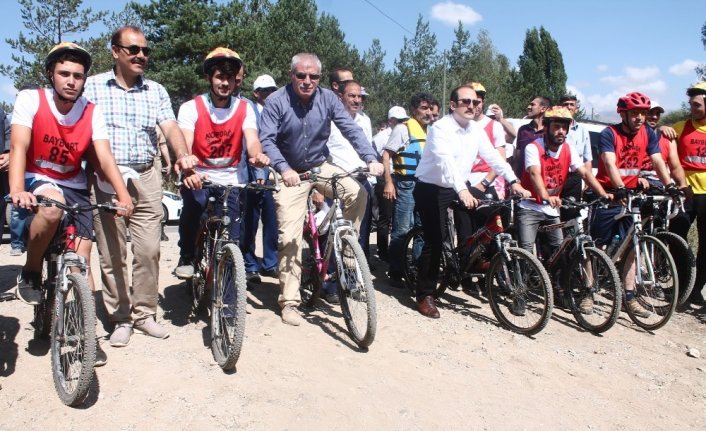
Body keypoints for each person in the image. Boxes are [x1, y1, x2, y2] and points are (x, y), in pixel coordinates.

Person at [8, 42, 134, 365]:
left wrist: (123, 194)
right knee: (51, 206)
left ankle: (85, 335)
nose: (71, 81)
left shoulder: (92, 112)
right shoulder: (30, 99)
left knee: (81, 260)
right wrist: (18, 188)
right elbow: (19, 146)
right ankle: (33, 271)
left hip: (75, 186)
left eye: (78, 76)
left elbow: (104, 156)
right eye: (64, 73)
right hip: (38, 180)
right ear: (51, 74)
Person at [84, 26, 197, 347]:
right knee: (113, 254)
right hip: (106, 179)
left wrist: (183, 154)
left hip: (147, 175)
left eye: (145, 51)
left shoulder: (156, 91)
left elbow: (171, 127)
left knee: (148, 250)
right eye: (134, 50)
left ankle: (145, 314)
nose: (141, 56)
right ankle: (121, 318)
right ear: (115, 51)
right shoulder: (92, 88)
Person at [259, 52, 383, 326]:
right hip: (289, 170)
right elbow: (266, 140)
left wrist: (370, 158)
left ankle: (346, 250)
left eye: (313, 76)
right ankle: (289, 302)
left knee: (357, 192)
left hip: (319, 165)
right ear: (291, 75)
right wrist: (284, 169)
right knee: (288, 237)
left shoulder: (328, 98)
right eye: (300, 75)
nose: (307, 81)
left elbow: (351, 129)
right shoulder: (276, 101)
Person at [413, 84, 530, 319]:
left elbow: (494, 159)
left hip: (457, 185)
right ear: (453, 105)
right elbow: (446, 163)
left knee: (479, 221)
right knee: (435, 240)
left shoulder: (476, 129)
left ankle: (469, 263)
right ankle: (425, 294)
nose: (471, 105)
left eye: (475, 102)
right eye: (465, 101)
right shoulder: (440, 128)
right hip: (431, 187)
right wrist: (462, 190)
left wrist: (514, 180)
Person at [174, 47, 269, 283]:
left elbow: (253, 139)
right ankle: (186, 255)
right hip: (198, 174)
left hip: (231, 178)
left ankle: (227, 308)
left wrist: (257, 156)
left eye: (229, 78)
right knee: (194, 205)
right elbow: (185, 140)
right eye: (219, 77)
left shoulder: (244, 108)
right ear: (209, 78)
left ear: (235, 81)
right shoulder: (190, 107)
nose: (224, 83)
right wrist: (187, 163)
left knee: (232, 238)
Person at [591, 91, 677, 317]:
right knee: (597, 245)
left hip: (630, 194)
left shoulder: (648, 132)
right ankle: (586, 292)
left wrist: (669, 185)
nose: (640, 117)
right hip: (609, 193)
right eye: (635, 113)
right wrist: (619, 187)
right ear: (623, 114)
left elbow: (658, 161)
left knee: (631, 248)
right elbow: (609, 163)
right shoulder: (609, 133)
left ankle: (629, 297)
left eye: (643, 113)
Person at [517, 106, 610, 312]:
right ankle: (520, 294)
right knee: (525, 249)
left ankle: (558, 292)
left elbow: (584, 173)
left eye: (564, 127)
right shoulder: (534, 147)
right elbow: (534, 174)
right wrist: (545, 196)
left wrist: (603, 194)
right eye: (557, 127)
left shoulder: (568, 149)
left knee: (558, 251)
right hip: (530, 205)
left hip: (551, 209)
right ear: (547, 127)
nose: (561, 131)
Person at [322, 79, 376, 304]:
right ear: (340, 96)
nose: (356, 100)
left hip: (363, 181)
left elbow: (367, 148)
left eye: (360, 97)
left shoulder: (365, 120)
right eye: (352, 96)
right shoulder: (329, 121)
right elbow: (322, 152)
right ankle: (331, 282)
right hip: (337, 183)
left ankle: (353, 281)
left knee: (359, 236)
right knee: (335, 234)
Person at [382, 93, 434, 286]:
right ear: (413, 110)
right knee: (402, 229)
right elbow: (386, 156)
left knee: (423, 230)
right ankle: (396, 271)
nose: (428, 112)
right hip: (406, 184)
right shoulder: (403, 129)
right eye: (423, 108)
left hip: (426, 185)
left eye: (430, 108)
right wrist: (388, 182)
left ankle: (417, 268)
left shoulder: (431, 131)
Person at [240, 74, 279, 284]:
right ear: (256, 93)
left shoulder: (279, 111)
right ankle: (250, 264)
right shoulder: (250, 111)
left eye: (273, 90)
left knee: (272, 222)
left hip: (274, 175)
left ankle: (271, 263)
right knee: (250, 221)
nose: (270, 94)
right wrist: (258, 174)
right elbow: (250, 146)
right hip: (252, 176)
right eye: (265, 91)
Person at [670, 82, 706, 306]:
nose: (692, 108)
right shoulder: (681, 126)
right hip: (685, 192)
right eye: (690, 104)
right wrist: (663, 131)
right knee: (676, 238)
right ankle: (681, 287)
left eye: (697, 104)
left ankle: (697, 289)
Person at [372, 107, 406, 263]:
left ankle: (396, 250)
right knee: (385, 216)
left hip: (399, 177)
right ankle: (383, 250)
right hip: (385, 178)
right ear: (390, 120)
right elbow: (378, 158)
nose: (401, 123)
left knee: (398, 216)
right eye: (398, 120)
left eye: (403, 120)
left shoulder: (404, 132)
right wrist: (387, 181)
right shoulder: (381, 137)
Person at [640, 101, 686, 188]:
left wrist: (683, 185)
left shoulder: (668, 138)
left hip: (663, 186)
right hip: (640, 186)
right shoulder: (630, 137)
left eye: (657, 114)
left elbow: (675, 167)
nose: (654, 117)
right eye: (650, 113)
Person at [558, 95, 593, 208]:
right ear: (560, 107)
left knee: (571, 214)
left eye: (571, 104)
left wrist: (588, 181)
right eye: (565, 104)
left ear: (576, 109)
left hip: (574, 178)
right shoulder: (552, 128)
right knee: (549, 214)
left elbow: (587, 158)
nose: (568, 107)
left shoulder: (583, 131)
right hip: (554, 176)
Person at [514, 96, 551, 177]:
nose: (528, 107)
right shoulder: (523, 130)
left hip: (542, 179)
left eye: (532, 105)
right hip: (523, 180)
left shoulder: (549, 132)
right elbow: (517, 157)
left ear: (543, 109)